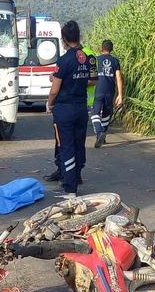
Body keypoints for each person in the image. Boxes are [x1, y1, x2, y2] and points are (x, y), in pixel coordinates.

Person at [45, 21, 94, 198]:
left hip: (64, 109)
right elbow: (93, 79)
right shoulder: (88, 58)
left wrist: (49, 103)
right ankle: (77, 176)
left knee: (66, 147)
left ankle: (70, 188)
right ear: (78, 36)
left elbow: (55, 89)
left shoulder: (64, 60)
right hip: (81, 108)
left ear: (64, 39)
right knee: (79, 144)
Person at [91, 40, 123, 147]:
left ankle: (99, 132)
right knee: (106, 114)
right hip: (110, 91)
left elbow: (91, 76)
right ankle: (103, 135)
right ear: (111, 49)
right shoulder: (115, 61)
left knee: (95, 113)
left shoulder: (96, 60)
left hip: (98, 90)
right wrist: (120, 95)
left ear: (101, 48)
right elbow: (119, 78)